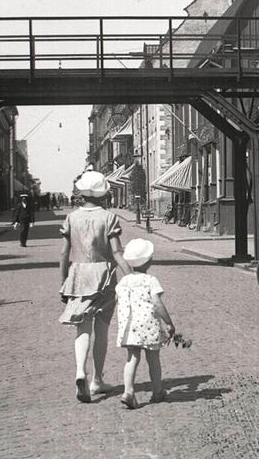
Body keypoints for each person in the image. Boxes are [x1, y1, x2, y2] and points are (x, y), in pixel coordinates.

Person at [58, 171, 132, 403]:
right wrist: (130, 277)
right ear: (103, 193)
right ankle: (97, 380)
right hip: (104, 276)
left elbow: (63, 253)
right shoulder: (109, 218)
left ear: (82, 193)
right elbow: (117, 252)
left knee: (82, 328)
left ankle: (81, 370)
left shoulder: (71, 218)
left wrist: (63, 282)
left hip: (78, 275)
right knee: (101, 330)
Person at [115, 238, 175, 409]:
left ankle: (128, 392)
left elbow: (117, 298)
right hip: (148, 326)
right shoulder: (150, 280)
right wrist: (169, 323)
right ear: (148, 261)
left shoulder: (123, 282)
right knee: (153, 358)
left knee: (131, 358)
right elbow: (157, 303)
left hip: (129, 326)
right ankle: (157, 392)